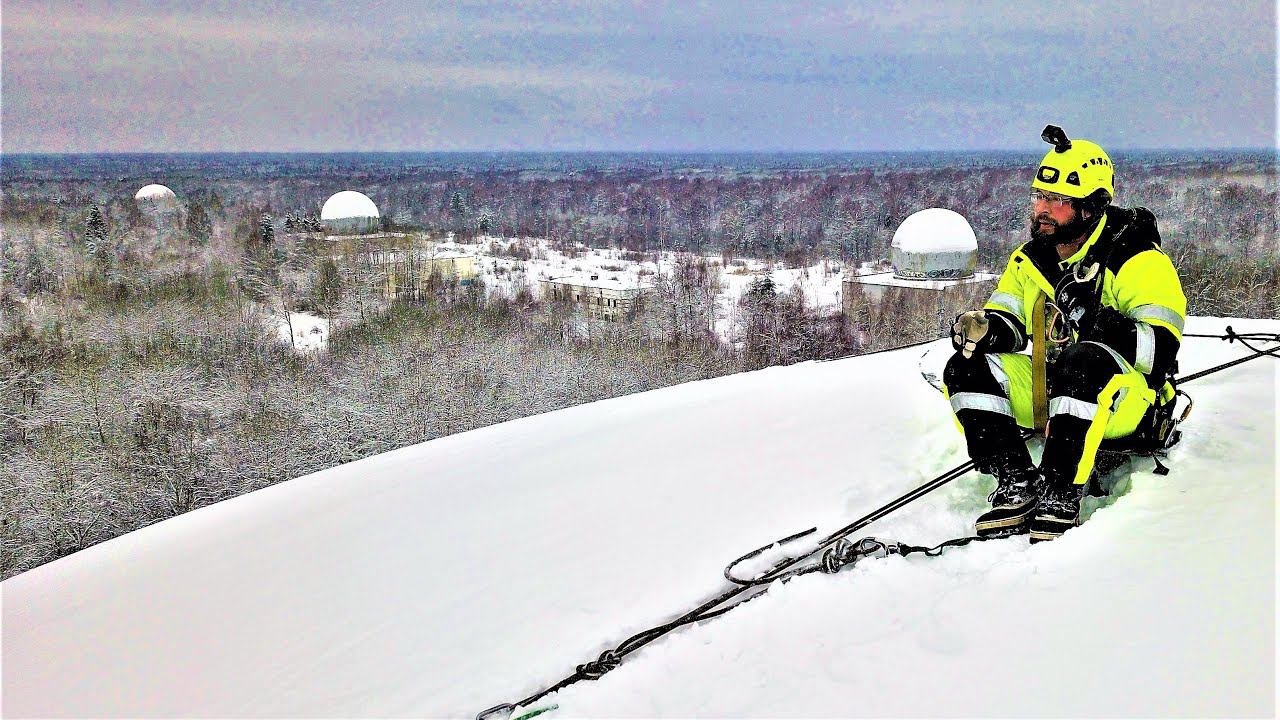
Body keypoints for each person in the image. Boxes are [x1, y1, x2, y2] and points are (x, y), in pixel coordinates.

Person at [943, 125, 1187, 542]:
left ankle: (1060, 491)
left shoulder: (1137, 257)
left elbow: (1158, 353)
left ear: (1090, 208)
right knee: (964, 368)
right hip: (1056, 393)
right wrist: (985, 331)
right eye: (1039, 197)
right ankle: (1017, 482)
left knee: (1083, 360)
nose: (1042, 209)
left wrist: (1097, 321)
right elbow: (1011, 317)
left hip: (1128, 403)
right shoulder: (1031, 258)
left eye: (1057, 201)